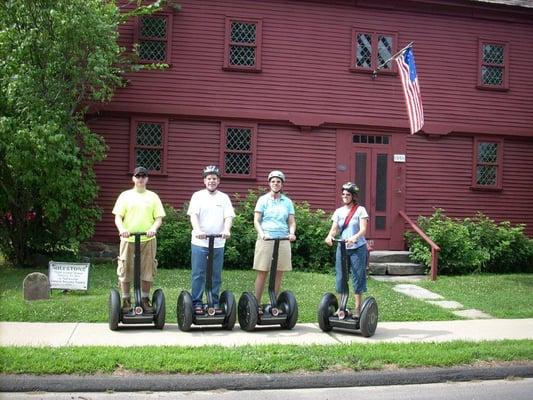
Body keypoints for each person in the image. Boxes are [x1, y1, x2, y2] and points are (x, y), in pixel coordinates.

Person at [112, 166, 166, 313]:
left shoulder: (153, 196)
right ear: (133, 178)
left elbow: (159, 218)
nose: (140, 179)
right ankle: (126, 299)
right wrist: (122, 229)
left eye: (143, 176)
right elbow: (118, 217)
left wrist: (153, 229)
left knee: (148, 269)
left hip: (148, 239)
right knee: (125, 269)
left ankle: (144, 299)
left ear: (147, 179)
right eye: (138, 176)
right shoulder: (125, 195)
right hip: (128, 239)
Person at [187, 165, 235, 314]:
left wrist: (226, 230)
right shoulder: (197, 196)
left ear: (218, 181)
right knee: (199, 273)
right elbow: (193, 215)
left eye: (214, 178)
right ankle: (197, 302)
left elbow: (228, 216)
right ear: (204, 180)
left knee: (215, 274)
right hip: (200, 241)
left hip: (218, 242)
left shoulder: (224, 197)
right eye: (209, 178)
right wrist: (197, 230)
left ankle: (213, 301)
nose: (211, 181)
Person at [252, 170, 296, 307]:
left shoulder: (287, 202)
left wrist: (292, 233)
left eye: (278, 181)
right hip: (266, 238)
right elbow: (256, 220)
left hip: (283, 239)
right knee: (262, 272)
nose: (275, 184)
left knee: (278, 272)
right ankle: (256, 304)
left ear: (282, 184)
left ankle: (273, 303)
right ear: (269, 183)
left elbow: (291, 222)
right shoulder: (263, 200)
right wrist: (262, 233)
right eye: (273, 181)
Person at [324, 182, 369, 317]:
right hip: (342, 248)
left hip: (358, 248)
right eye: (343, 194)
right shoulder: (339, 211)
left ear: (353, 196)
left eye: (347, 194)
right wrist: (329, 236)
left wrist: (355, 237)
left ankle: (357, 308)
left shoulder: (361, 210)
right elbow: (334, 229)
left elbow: (363, 230)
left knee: (357, 277)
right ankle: (341, 307)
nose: (344, 196)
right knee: (341, 277)